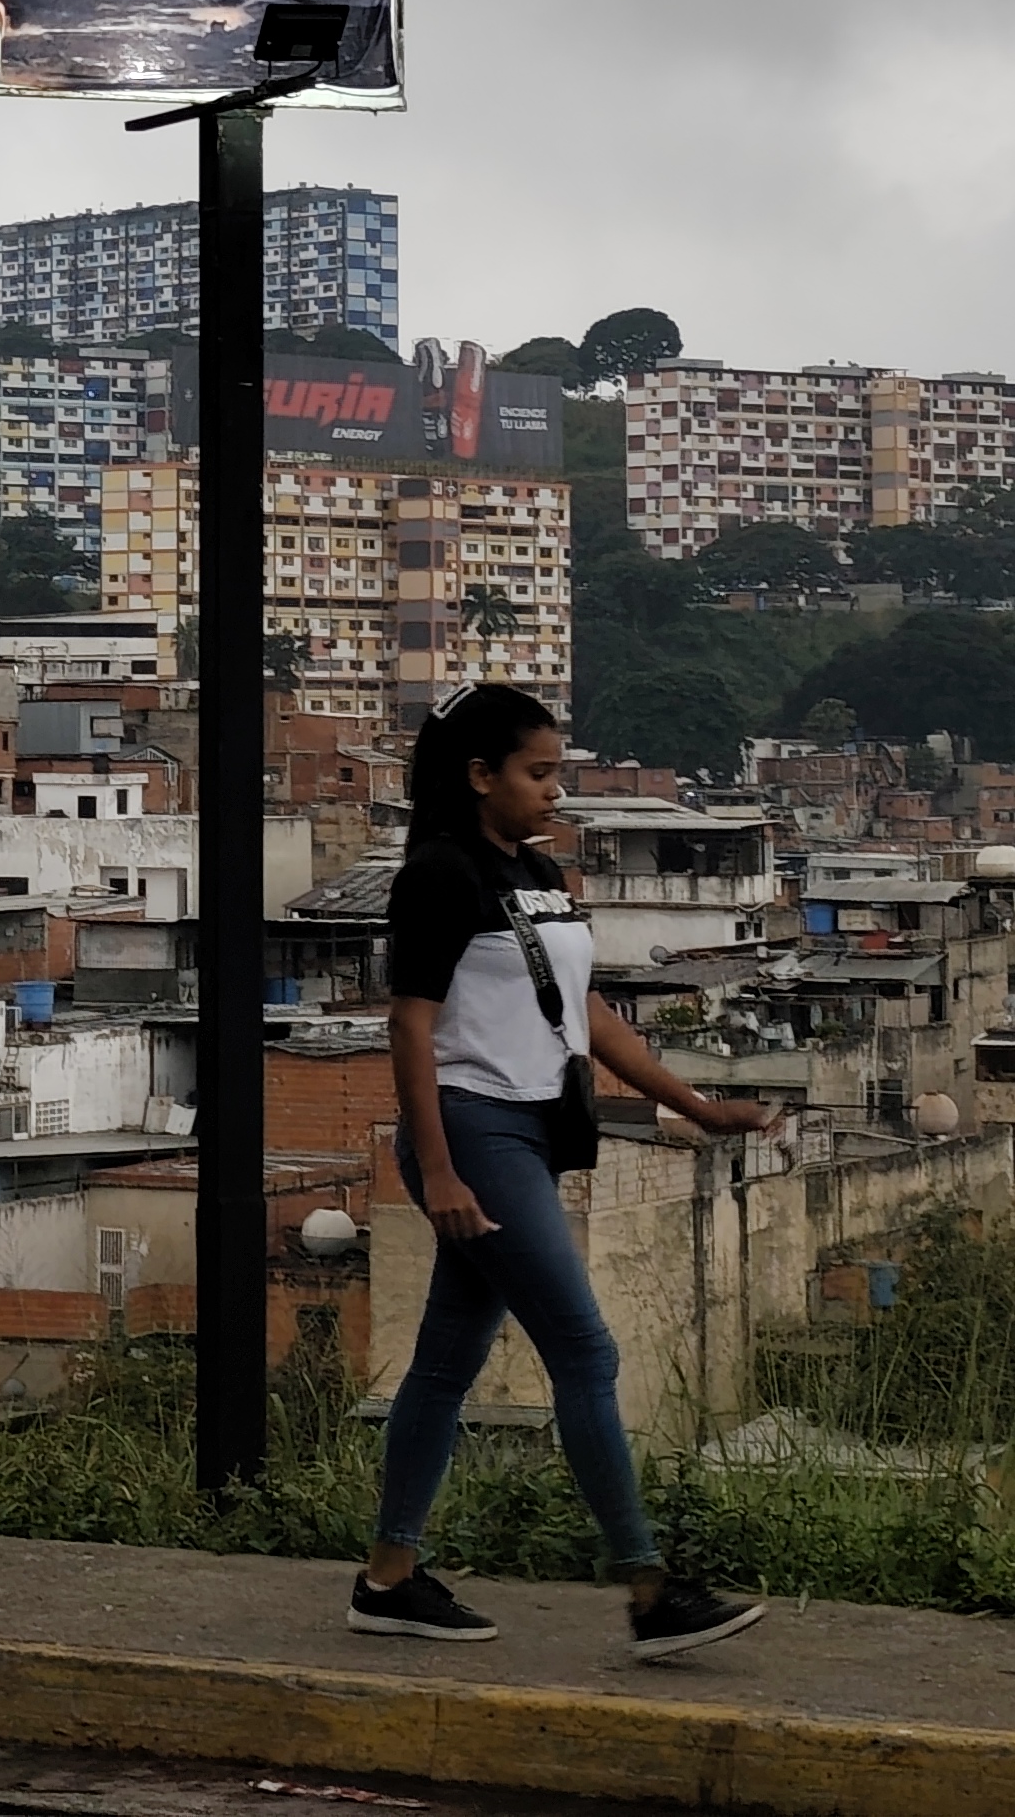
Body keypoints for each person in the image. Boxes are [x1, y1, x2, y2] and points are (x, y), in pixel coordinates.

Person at [349, 682, 776, 1662]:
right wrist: (445, 1172)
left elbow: (583, 1013)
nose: (554, 789)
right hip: (475, 1133)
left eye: (556, 771)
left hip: (534, 1133)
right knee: (585, 1352)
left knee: (447, 1365)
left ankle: (388, 1578)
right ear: (479, 776)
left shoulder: (538, 874)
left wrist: (697, 1104)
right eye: (538, 773)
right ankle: (648, 1589)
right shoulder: (438, 878)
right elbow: (409, 1029)